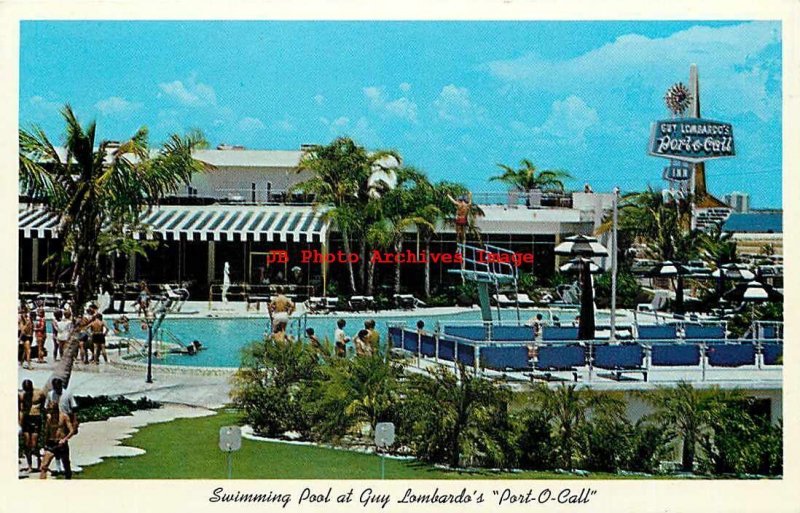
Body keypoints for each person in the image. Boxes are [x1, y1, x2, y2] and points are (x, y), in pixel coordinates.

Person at [40, 401, 76, 479]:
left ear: (56, 409)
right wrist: (44, 443)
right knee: (43, 466)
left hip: (61, 443)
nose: (49, 412)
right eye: (49, 410)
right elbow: (47, 431)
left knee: (66, 465)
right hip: (51, 443)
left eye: (51, 410)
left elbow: (72, 430)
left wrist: (65, 439)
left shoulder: (64, 416)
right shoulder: (49, 418)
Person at [19, 379, 46, 473]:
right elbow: (21, 410)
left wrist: (42, 414)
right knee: (27, 444)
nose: (28, 392)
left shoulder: (39, 393)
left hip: (36, 418)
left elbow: (43, 403)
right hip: (27, 418)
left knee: (34, 444)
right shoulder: (22, 395)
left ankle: (39, 463)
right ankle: (29, 465)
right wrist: (20, 422)